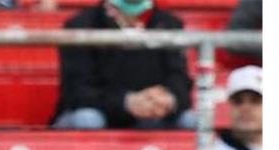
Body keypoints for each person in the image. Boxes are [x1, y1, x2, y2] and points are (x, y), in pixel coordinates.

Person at [52, 0, 196, 130]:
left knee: (191, 121)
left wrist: (167, 98)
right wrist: (127, 102)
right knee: (87, 119)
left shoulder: (170, 24)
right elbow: (77, 91)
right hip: (99, 112)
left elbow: (180, 80)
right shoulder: (80, 25)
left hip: (150, 115)